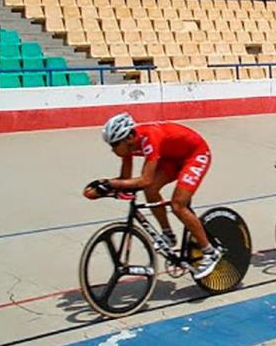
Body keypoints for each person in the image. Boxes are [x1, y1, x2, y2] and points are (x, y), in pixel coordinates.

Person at [83, 112, 221, 280]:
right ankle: (168, 234)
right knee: (151, 190)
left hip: (194, 155)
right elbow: (126, 180)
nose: (113, 150)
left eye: (114, 144)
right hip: (171, 158)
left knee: (178, 204)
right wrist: (101, 189)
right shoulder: (128, 145)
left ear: (129, 138)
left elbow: (144, 180)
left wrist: (110, 184)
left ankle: (210, 252)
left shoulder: (150, 137)